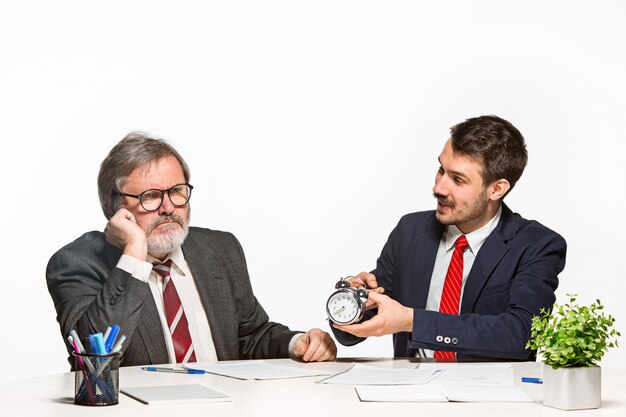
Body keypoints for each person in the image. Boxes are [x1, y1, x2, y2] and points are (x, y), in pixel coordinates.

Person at [47, 132, 336, 368]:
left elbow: (250, 336)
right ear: (114, 207)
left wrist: (296, 343)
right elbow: (93, 359)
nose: (168, 208)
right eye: (150, 196)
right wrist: (134, 253)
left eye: (176, 191)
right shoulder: (76, 262)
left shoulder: (221, 249)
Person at [332, 115, 566, 360]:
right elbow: (358, 330)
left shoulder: (537, 245)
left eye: (458, 179)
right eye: (441, 170)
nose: (439, 188)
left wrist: (413, 322)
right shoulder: (410, 230)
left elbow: (521, 336)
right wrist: (352, 303)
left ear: (496, 189)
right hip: (409, 390)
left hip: (491, 394)